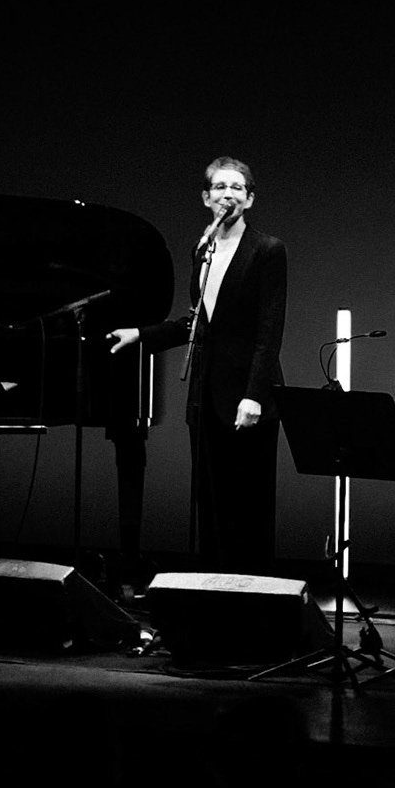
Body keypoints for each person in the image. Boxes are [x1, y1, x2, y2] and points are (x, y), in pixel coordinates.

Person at [108, 157, 287, 572]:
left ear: (250, 198)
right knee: (210, 503)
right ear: (207, 197)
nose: (229, 194)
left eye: (238, 187)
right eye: (220, 187)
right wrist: (142, 334)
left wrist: (253, 396)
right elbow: (198, 323)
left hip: (247, 397)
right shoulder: (201, 250)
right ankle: (212, 595)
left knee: (248, 505)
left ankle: (254, 597)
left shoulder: (267, 250)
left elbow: (269, 330)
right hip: (205, 395)